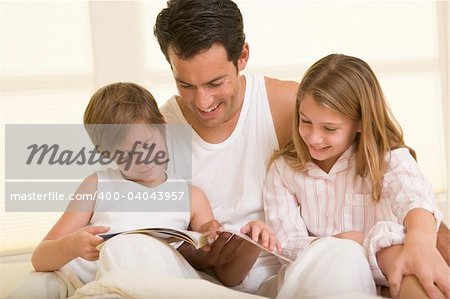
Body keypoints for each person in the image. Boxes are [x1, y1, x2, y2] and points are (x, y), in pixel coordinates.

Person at [154, 1, 383, 298]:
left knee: (343, 255)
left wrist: (427, 244)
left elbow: (390, 169)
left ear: (243, 57)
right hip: (203, 282)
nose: (202, 102)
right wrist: (200, 254)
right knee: (130, 251)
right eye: (185, 85)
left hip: (289, 275)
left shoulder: (287, 106)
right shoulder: (158, 130)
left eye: (215, 83)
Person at [10, 82, 278, 298]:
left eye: (148, 144)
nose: (142, 159)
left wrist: (215, 237)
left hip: (153, 280)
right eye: (125, 154)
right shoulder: (97, 185)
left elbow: (212, 249)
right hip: (98, 279)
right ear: (105, 154)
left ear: (162, 126)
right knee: (36, 284)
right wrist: (72, 245)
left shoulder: (190, 196)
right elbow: (40, 258)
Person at [264, 54, 450, 299]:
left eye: (329, 128)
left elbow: (415, 199)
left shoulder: (387, 158)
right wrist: (350, 244)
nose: (314, 137)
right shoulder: (283, 170)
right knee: (386, 249)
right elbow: (285, 244)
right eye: (306, 121)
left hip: (388, 267)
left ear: (361, 123)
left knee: (408, 260)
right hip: (325, 272)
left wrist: (419, 241)